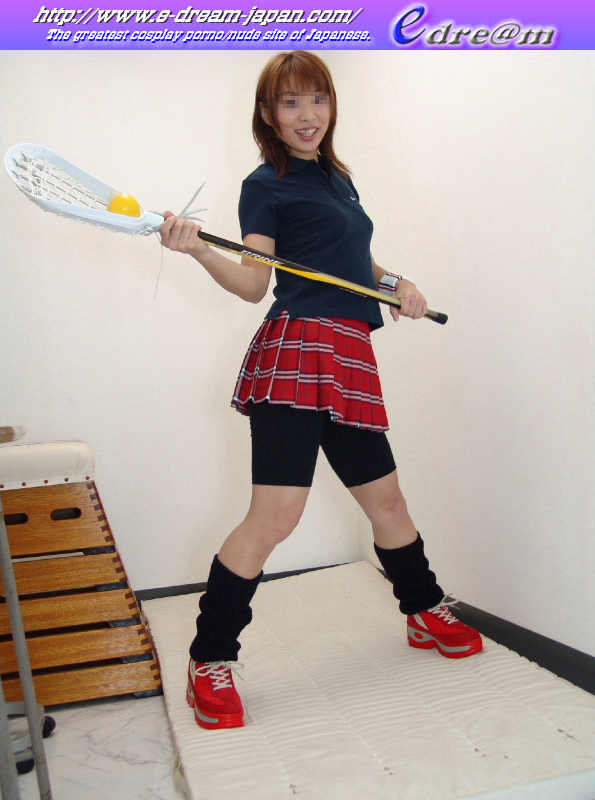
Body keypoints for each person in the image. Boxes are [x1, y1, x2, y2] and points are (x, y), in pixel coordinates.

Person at [161, 51, 482, 732]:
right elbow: (253, 282)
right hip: (297, 355)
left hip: (350, 357)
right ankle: (209, 659)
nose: (307, 115)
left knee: (387, 501)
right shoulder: (264, 185)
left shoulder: (338, 179)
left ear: (331, 106)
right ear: (268, 114)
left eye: (317, 99)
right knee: (275, 517)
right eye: (290, 102)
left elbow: (356, 262)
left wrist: (398, 285)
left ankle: (422, 609)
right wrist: (198, 249)